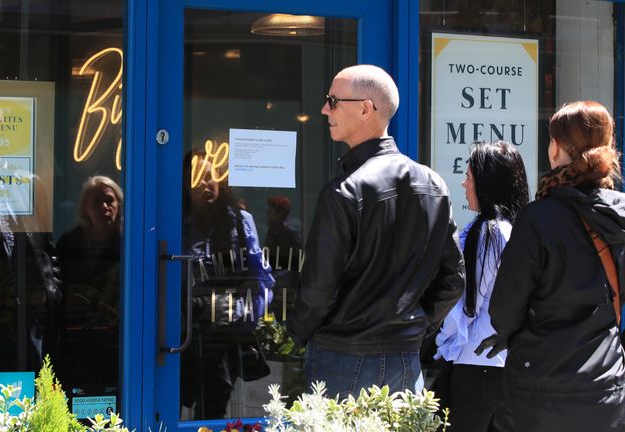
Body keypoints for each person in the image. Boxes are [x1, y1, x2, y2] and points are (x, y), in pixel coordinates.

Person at [287, 64, 465, 398]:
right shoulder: (433, 185)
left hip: (342, 355)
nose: (325, 109)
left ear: (366, 108)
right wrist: (416, 325)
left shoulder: (344, 191)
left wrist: (294, 335)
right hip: (404, 356)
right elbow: (453, 279)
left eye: (333, 100)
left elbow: (318, 290)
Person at [476, 101, 625, 431]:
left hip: (538, 385)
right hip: (605, 385)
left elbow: (504, 308)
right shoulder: (620, 216)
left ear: (557, 149)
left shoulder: (539, 217)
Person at [433, 142, 529, 432]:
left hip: (476, 363)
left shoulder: (487, 232)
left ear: (487, 184)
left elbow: (461, 308)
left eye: (470, 177)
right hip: (506, 364)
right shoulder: (517, 230)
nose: (463, 183)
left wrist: (442, 346)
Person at [180, 151, 275, 419]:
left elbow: (261, 279)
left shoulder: (240, 221)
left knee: (212, 414)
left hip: (222, 337)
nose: (204, 184)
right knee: (168, 406)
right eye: (195, 178)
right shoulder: (173, 222)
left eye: (209, 177)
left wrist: (242, 312)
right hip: (181, 331)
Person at [56, 175, 123, 396]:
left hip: (115, 338)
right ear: (85, 208)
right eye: (97, 202)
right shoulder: (69, 242)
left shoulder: (129, 244)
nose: (105, 207)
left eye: (110, 201)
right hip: (73, 337)